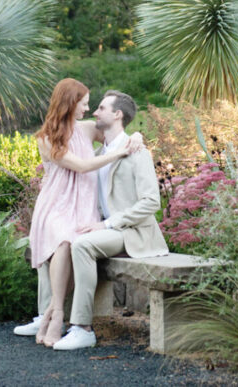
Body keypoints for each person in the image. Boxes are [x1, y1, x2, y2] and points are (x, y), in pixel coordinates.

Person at [51, 89, 169, 351]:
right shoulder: (96, 155)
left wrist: (107, 224)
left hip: (131, 232)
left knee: (81, 244)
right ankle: (46, 316)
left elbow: (151, 203)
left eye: (101, 108)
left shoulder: (137, 152)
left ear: (117, 115)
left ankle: (82, 329)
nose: (94, 112)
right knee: (60, 239)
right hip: (104, 229)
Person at [25, 79, 139, 347]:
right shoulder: (45, 138)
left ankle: (51, 313)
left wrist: (136, 137)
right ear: (70, 103)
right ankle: (57, 314)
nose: (88, 109)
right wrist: (119, 154)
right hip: (56, 203)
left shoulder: (87, 129)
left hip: (83, 203)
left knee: (71, 241)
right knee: (63, 240)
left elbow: (116, 134)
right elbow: (83, 166)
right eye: (84, 103)